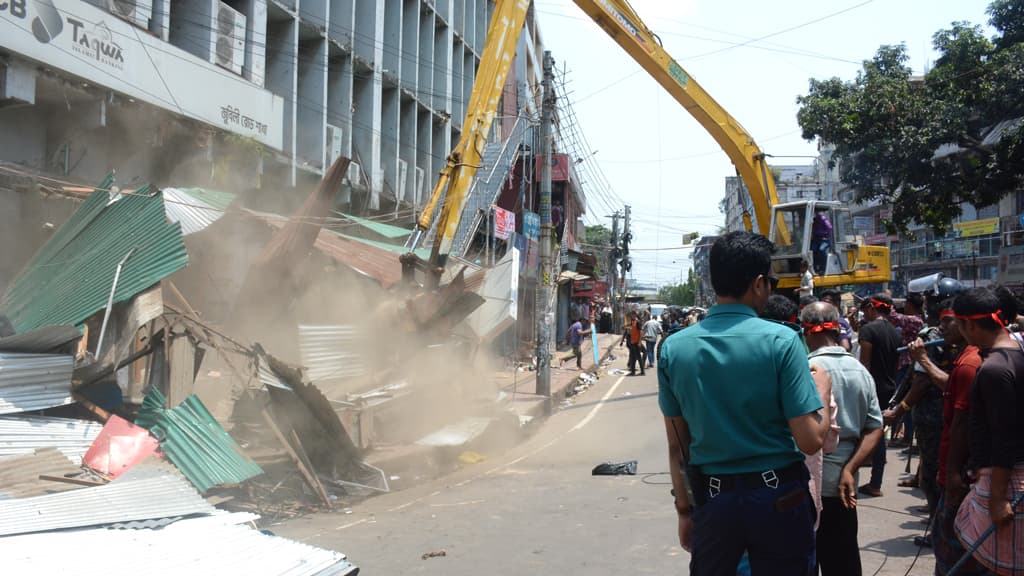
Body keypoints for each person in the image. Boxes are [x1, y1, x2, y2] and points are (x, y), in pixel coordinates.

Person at [658, 231, 830, 575]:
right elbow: (810, 439)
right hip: (779, 498)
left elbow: (679, 446)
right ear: (759, 283)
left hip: (714, 500)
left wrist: (684, 510)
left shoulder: (674, 348)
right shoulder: (783, 341)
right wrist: (821, 390)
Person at [801, 301, 884, 576]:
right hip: (845, 484)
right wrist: (851, 468)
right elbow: (875, 428)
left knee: (807, 558)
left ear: (808, 332)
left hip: (810, 483)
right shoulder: (860, 371)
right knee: (844, 557)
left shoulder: (806, 368)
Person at [953, 287, 1024, 575]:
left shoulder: (994, 369)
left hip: (1005, 481)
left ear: (969, 324)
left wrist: (998, 500)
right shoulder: (1017, 352)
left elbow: (1003, 437)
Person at [857, 294, 902, 498]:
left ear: (872, 309)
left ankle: (875, 483)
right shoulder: (894, 331)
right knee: (878, 431)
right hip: (889, 386)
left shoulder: (868, 330)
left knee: (874, 433)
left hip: (872, 386)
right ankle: (874, 477)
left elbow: (865, 364)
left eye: (865, 310)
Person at [619, 311, 645, 376]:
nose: (631, 316)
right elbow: (628, 326)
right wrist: (624, 327)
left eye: (632, 315)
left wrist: (639, 342)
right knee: (633, 357)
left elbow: (641, 332)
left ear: (635, 315)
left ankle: (641, 371)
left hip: (636, 342)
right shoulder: (632, 322)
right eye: (631, 315)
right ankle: (635, 372)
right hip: (633, 342)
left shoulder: (637, 322)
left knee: (637, 357)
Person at [812, 209, 833, 275]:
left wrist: (822, 233)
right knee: (812, 250)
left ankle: (823, 269)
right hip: (817, 239)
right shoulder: (814, 220)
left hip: (825, 240)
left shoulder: (823, 218)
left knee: (821, 250)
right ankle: (815, 268)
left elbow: (829, 228)